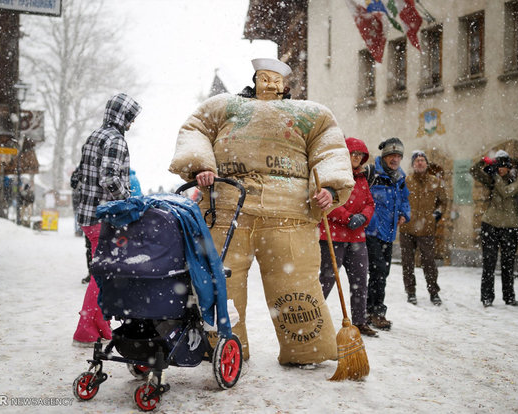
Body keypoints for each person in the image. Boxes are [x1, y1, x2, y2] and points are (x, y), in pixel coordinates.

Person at [169, 57, 355, 366]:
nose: (269, 84)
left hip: (288, 212)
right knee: (220, 280)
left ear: (286, 86)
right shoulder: (224, 107)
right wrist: (201, 165)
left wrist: (330, 189)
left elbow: (330, 150)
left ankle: (305, 348)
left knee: (294, 284)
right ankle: (225, 347)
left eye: (275, 79)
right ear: (255, 80)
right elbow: (195, 129)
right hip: (227, 208)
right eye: (264, 78)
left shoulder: (312, 114)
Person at [72, 93, 141, 346]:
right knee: (103, 275)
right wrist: (128, 200)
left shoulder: (95, 136)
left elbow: (80, 176)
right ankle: (87, 329)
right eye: (130, 119)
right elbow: (109, 179)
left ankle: (99, 325)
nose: (131, 124)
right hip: (104, 218)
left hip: (88, 215)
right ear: (122, 117)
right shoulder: (115, 140)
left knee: (102, 271)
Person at [318, 137, 377, 337]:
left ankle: (359, 320)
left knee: (360, 280)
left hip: (357, 237)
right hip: (333, 237)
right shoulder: (335, 175)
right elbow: (330, 201)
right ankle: (315, 318)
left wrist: (363, 216)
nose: (357, 158)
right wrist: (347, 217)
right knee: (327, 279)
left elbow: (370, 203)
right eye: (354, 154)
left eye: (360, 155)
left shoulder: (361, 179)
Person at [364, 137, 410, 330]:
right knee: (378, 271)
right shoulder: (372, 173)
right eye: (391, 155)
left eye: (398, 155)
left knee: (382, 273)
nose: (395, 159)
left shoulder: (399, 178)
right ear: (384, 156)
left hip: (389, 233)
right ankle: (375, 312)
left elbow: (404, 199)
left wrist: (404, 214)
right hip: (371, 231)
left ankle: (370, 310)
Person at [470, 150, 518, 307]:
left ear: (508, 167)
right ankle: (487, 297)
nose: (500, 169)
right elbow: (473, 171)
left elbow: (506, 192)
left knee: (508, 264)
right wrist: (483, 161)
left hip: (510, 227)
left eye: (502, 166)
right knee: (489, 263)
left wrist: (494, 177)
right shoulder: (492, 178)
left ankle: (509, 296)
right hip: (491, 225)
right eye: (497, 166)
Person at [399, 150, 448, 306]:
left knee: (429, 262)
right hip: (407, 228)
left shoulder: (435, 182)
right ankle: (411, 292)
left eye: (422, 160)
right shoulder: (406, 181)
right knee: (407, 263)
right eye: (416, 161)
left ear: (426, 164)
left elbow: (443, 202)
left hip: (426, 229)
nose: (419, 163)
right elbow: (399, 201)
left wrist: (436, 216)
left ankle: (433, 292)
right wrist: (401, 215)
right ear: (413, 165)